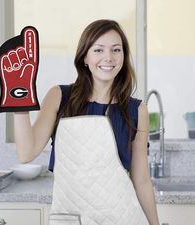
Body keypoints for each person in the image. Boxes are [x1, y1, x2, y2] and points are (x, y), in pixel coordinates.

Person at [14, 19, 160, 225]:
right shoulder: (59, 97)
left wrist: (155, 224)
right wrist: (18, 100)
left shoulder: (137, 110)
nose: (108, 57)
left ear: (124, 56)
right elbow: (26, 152)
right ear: (84, 57)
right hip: (71, 218)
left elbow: (142, 179)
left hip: (123, 218)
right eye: (98, 50)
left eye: (116, 50)